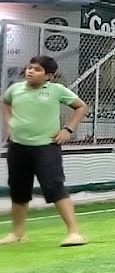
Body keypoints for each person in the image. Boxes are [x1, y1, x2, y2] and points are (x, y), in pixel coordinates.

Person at [3, 56, 89, 246]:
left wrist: (67, 130)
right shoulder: (15, 89)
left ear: (48, 76)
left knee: (54, 187)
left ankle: (74, 233)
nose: (30, 71)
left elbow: (81, 107)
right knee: (18, 189)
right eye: (30, 68)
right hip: (18, 147)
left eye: (37, 69)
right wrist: (9, 125)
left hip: (46, 147)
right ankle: (18, 233)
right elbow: (6, 102)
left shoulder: (56, 90)